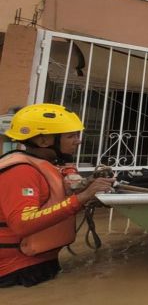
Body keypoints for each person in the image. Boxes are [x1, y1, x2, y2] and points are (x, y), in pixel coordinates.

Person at [0, 103, 115, 287]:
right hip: (17, 273)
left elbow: (54, 205)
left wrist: (89, 195)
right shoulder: (20, 172)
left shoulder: (46, 166)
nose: (78, 141)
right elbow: (23, 223)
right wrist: (81, 198)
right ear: (44, 141)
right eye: (71, 136)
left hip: (36, 265)